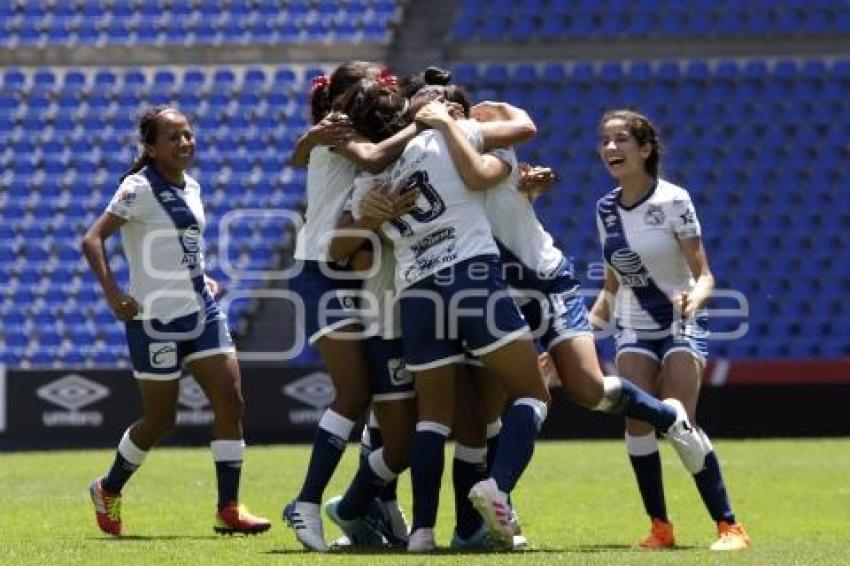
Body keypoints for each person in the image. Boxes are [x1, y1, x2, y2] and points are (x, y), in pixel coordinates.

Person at [340, 79, 549, 552]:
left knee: (432, 420)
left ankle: (421, 534)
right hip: (470, 274)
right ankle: (498, 488)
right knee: (533, 393)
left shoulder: (370, 179)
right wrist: (464, 116)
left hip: (416, 292)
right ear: (413, 111)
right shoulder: (451, 133)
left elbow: (352, 237)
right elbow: (524, 129)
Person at [80, 106, 270, 536]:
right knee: (162, 419)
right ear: (150, 147)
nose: (185, 142)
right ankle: (108, 488)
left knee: (231, 400)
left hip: (201, 312)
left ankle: (229, 508)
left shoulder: (193, 186)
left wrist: (202, 276)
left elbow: (181, 246)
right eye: (173, 137)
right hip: (153, 322)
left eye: (188, 134)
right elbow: (92, 240)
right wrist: (114, 294)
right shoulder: (137, 188)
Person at [590, 109, 751, 551]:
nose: (610, 149)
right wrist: (578, 340)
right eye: (605, 140)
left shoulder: (674, 199)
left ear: (645, 149)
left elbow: (705, 275)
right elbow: (610, 287)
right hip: (631, 328)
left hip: (680, 324)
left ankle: (730, 527)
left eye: (621, 140)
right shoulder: (604, 209)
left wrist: (696, 299)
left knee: (679, 421)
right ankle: (660, 528)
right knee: (638, 427)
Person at [282, 61, 421, 552]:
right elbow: (378, 155)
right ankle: (306, 502)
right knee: (356, 389)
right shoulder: (340, 130)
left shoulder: (341, 128)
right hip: (323, 267)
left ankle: (377, 497)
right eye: (373, 87)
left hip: (357, 270)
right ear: (344, 97)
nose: (380, 94)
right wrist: (426, 124)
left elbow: (301, 157)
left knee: (383, 397)